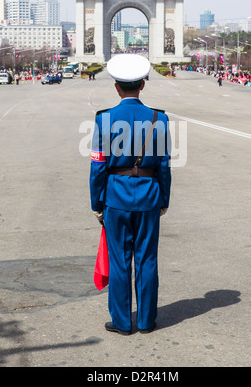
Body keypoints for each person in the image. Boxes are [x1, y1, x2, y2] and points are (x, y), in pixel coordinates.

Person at [89, 54, 171, 335]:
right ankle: (147, 321)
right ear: (143, 85)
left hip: (115, 198)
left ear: (116, 86)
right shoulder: (159, 119)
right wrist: (164, 200)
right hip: (149, 197)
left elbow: (98, 166)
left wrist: (96, 202)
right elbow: (164, 165)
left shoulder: (104, 118)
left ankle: (123, 322)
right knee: (147, 259)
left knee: (120, 259)